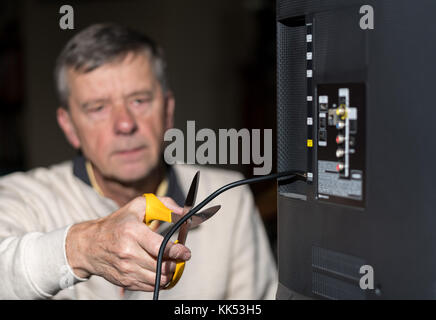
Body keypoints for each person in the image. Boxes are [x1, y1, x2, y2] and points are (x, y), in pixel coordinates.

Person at [0, 23, 277, 299]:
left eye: (140, 101)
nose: (124, 124)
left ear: (167, 111)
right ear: (70, 126)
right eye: (98, 108)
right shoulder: (22, 197)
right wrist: (83, 248)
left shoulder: (229, 196)